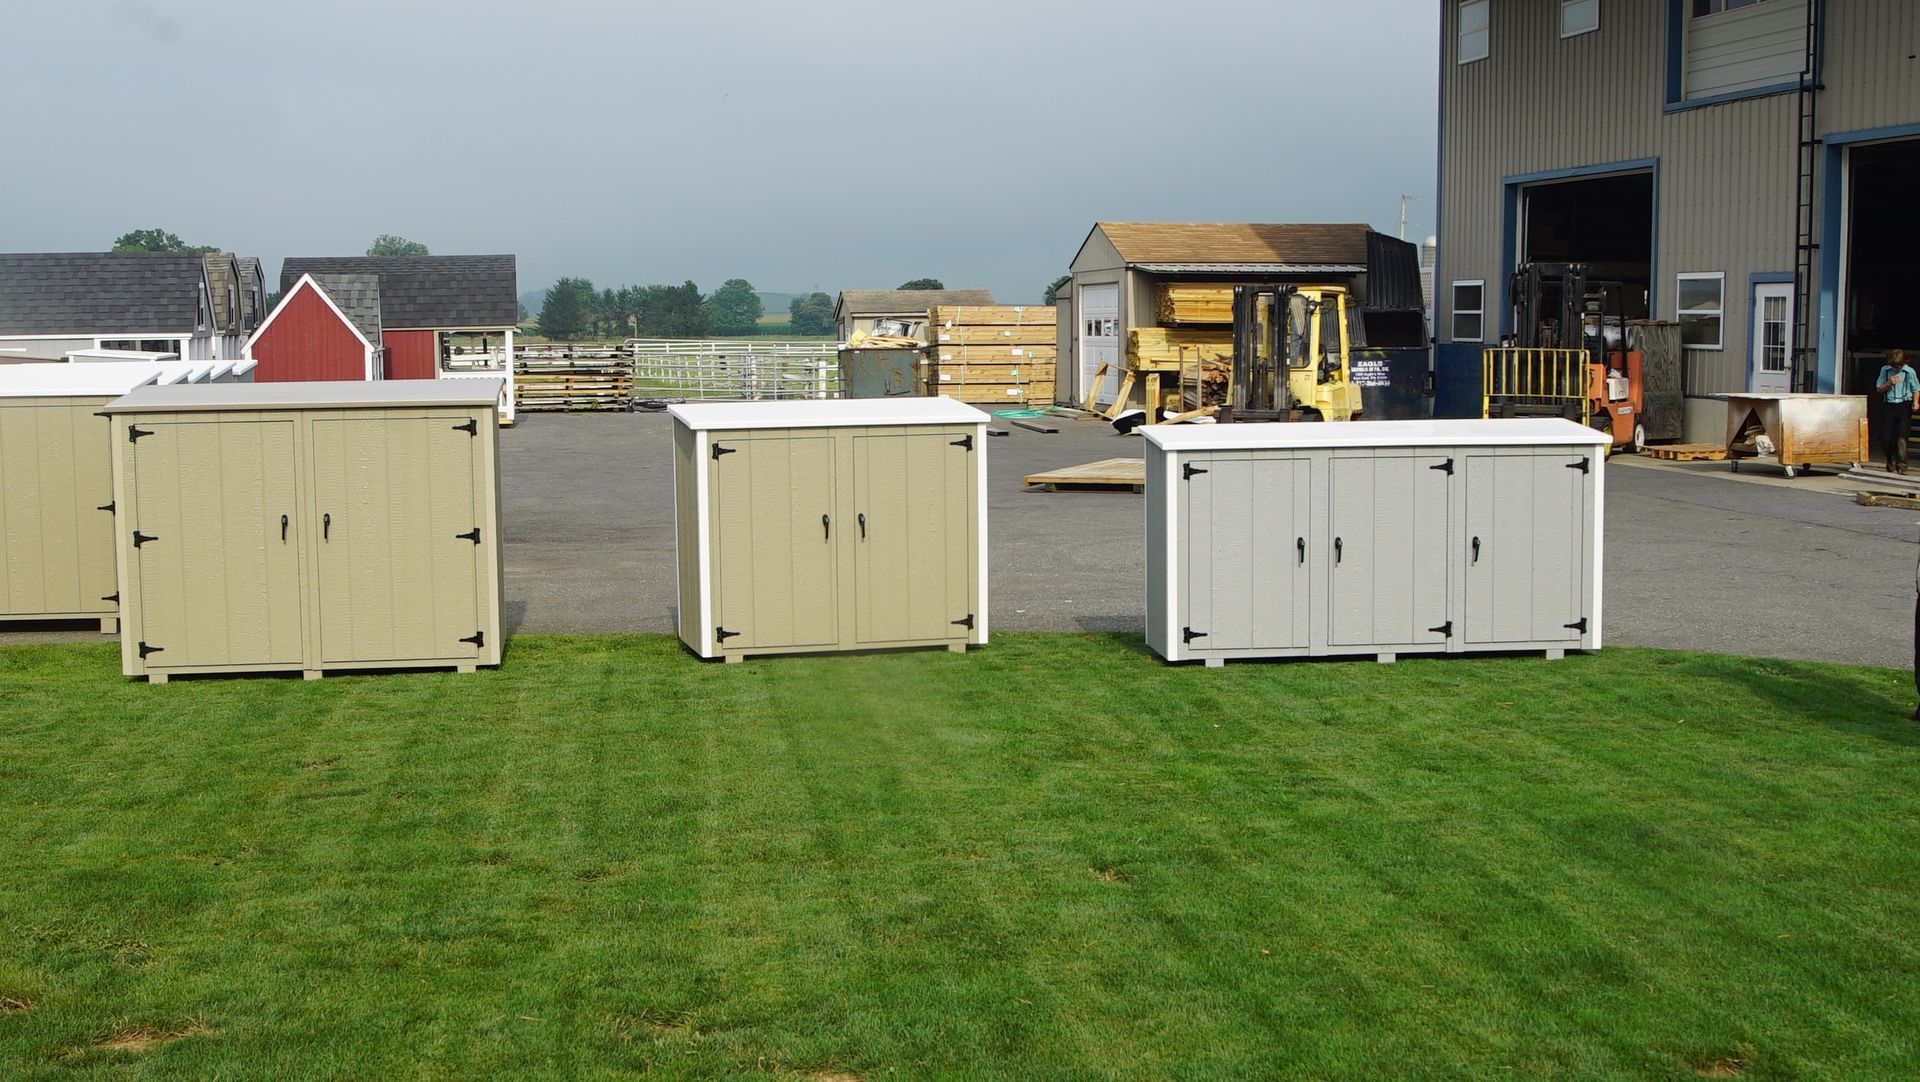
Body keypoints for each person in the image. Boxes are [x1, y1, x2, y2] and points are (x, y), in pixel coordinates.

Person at [1874, 349, 1918, 473]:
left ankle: (1902, 464)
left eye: (1899, 366)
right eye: (1894, 366)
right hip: (1889, 405)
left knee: (1901, 437)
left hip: (1904, 405)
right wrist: (1889, 383)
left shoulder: (1909, 372)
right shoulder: (1885, 370)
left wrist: (1915, 402)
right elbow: (1879, 389)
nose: (1897, 368)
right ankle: (1891, 458)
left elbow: (1916, 388)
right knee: (1885, 437)